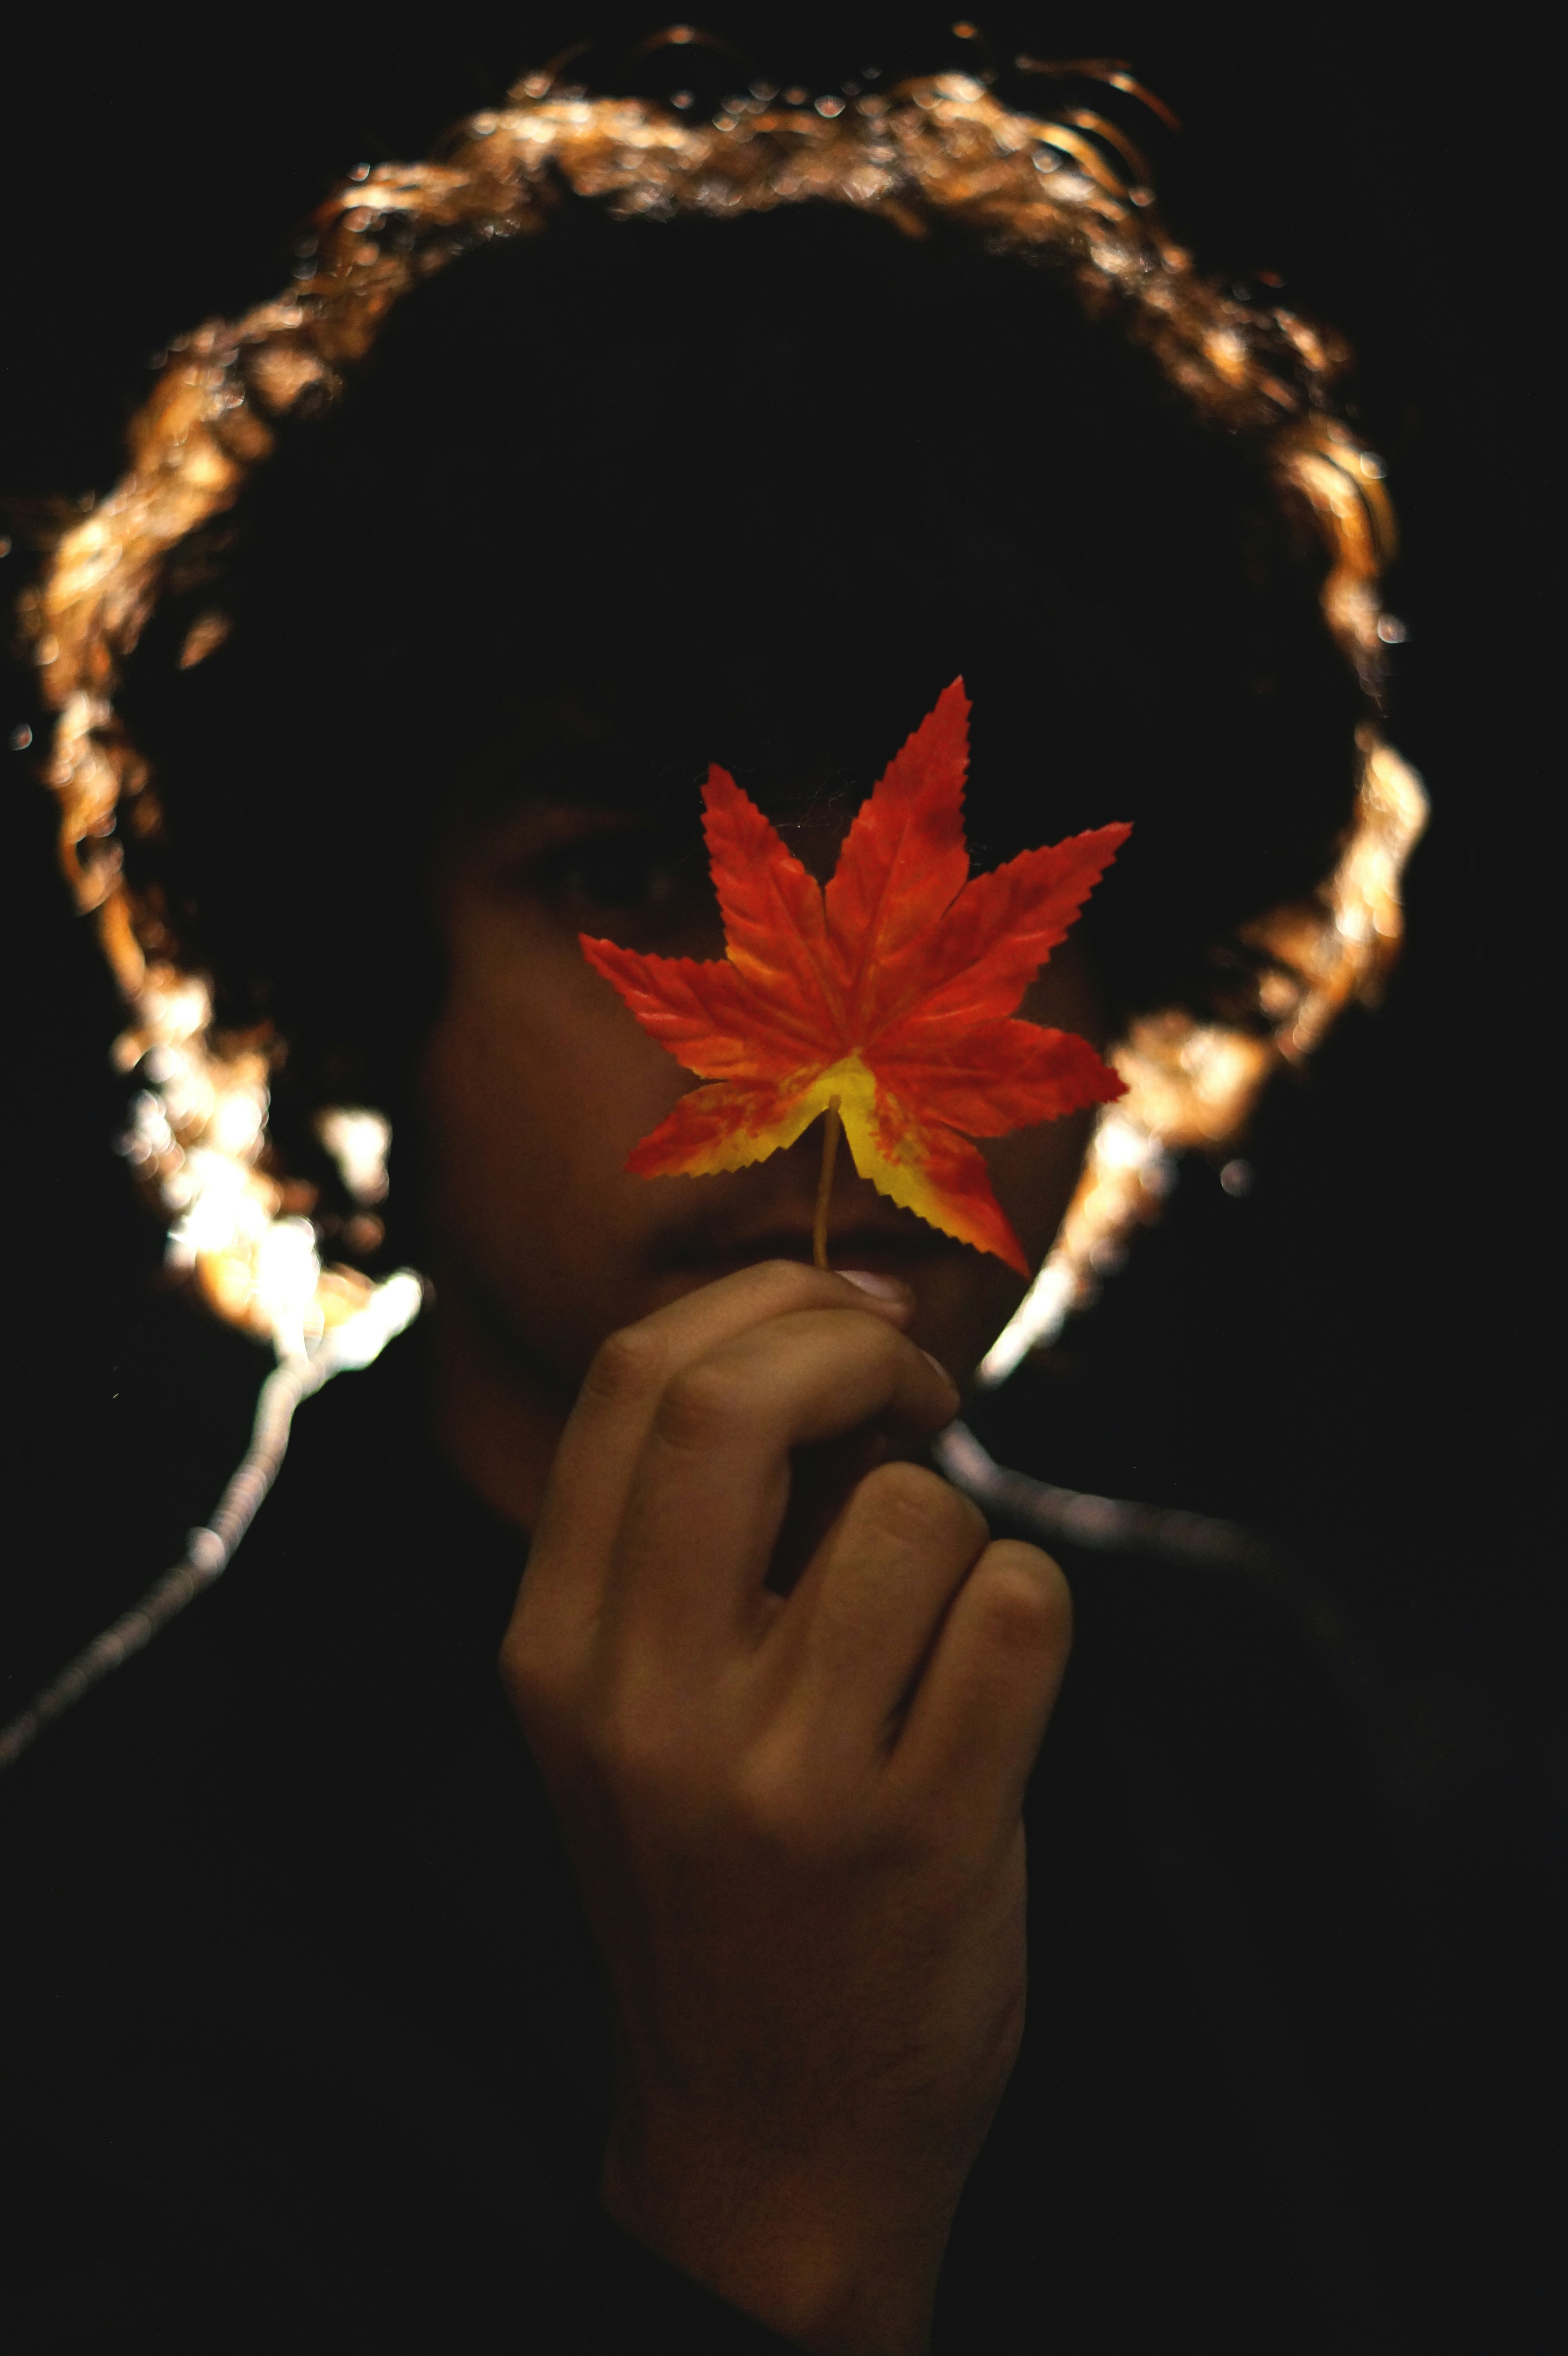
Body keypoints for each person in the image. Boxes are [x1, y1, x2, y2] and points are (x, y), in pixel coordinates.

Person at [2, 62, 1432, 2353]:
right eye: (639, 883)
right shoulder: (84, 1950)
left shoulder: (1242, 1726)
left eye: (972, 877)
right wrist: (769, 2192)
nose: (840, 1082)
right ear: (362, 967)